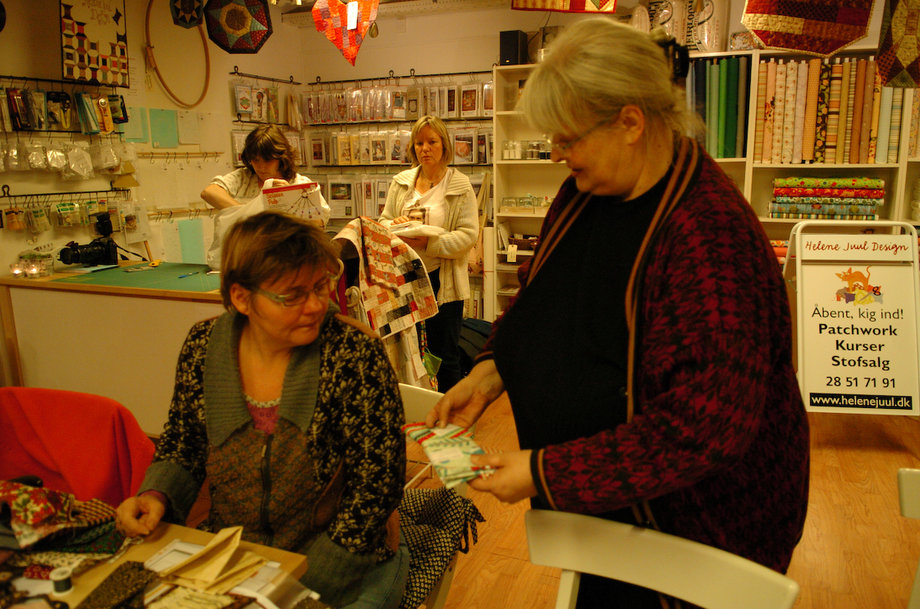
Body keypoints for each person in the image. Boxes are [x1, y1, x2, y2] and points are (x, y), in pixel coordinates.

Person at [426, 19, 809, 609]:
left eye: (568, 137)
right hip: (609, 518)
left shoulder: (711, 235)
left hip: (696, 535)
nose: (557, 154)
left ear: (631, 122)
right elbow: (538, 297)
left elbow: (704, 428)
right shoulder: (584, 190)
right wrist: (490, 369)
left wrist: (545, 472)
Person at [115, 211, 409, 609]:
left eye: (321, 286)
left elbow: (377, 486)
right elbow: (183, 443)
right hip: (238, 549)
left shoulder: (353, 354)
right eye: (293, 295)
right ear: (241, 298)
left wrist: (304, 582)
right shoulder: (204, 347)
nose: (316, 305)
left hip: (345, 555)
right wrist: (156, 495)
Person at [379, 115, 478, 392]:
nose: (425, 149)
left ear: (444, 145)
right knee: (406, 352)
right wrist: (395, 224)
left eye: (432, 142)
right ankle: (418, 406)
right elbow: (383, 221)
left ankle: (448, 410)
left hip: (442, 282)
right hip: (404, 279)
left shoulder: (459, 185)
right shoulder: (402, 182)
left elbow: (468, 236)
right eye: (419, 143)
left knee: (444, 354)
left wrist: (428, 243)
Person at [201, 124, 330, 223]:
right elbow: (209, 192)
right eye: (256, 160)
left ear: (281, 157)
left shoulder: (300, 184)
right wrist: (247, 214)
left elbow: (319, 223)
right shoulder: (244, 177)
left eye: (268, 160)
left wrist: (291, 198)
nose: (261, 167)